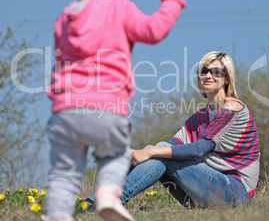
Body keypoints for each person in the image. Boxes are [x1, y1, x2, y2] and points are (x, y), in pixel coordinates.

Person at [43, 0, 186, 221]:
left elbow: (57, 65)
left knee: (65, 172)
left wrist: (57, 97)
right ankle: (107, 197)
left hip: (66, 110)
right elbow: (152, 30)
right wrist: (171, 2)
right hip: (108, 108)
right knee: (115, 156)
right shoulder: (119, 8)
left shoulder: (64, 19)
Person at [84, 51, 260, 211]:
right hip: (205, 192)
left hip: (235, 194)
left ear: (227, 79)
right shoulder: (199, 117)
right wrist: (134, 156)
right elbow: (170, 146)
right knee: (158, 151)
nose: (207, 75)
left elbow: (199, 148)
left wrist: (149, 152)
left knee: (157, 151)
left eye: (215, 72)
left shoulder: (233, 108)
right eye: (204, 71)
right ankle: (95, 201)